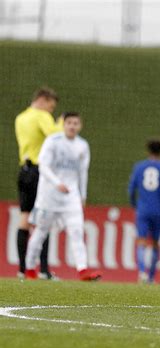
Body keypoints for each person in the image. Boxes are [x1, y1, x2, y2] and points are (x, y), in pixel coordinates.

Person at [24, 112, 101, 281]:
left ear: (80, 126)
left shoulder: (82, 145)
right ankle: (29, 269)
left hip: (70, 197)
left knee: (77, 231)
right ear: (63, 124)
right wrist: (56, 182)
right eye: (69, 123)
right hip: (49, 196)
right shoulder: (52, 141)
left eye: (76, 123)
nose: (72, 126)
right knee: (41, 232)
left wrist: (83, 194)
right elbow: (43, 166)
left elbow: (83, 172)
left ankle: (83, 270)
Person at [14, 87, 63, 280]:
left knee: (25, 218)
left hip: (23, 171)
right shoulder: (41, 116)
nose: (50, 111)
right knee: (44, 218)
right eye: (51, 107)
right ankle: (43, 269)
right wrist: (60, 124)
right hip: (39, 171)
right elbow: (53, 135)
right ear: (43, 100)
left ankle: (22, 268)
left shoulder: (20, 117)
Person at [128, 138, 160, 284]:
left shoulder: (139, 167)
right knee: (155, 243)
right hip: (157, 210)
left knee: (141, 241)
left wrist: (134, 205)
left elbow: (131, 189)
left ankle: (142, 272)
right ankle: (151, 277)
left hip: (142, 209)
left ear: (148, 151)